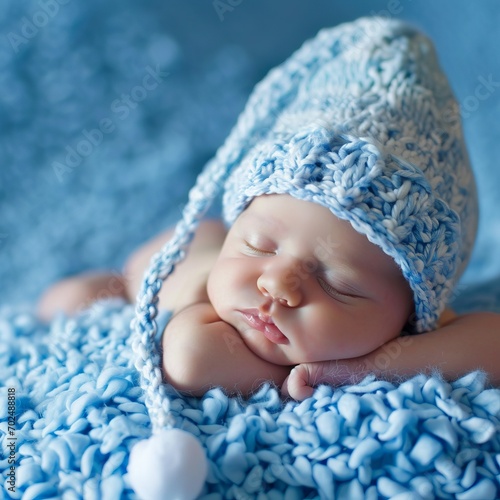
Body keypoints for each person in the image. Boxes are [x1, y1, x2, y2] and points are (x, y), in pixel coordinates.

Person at [37, 17, 500, 401]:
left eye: (339, 285)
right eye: (257, 245)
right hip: (170, 259)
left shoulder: (411, 328)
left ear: (413, 317)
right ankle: (127, 276)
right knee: (71, 302)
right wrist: (306, 374)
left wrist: (358, 370)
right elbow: (191, 360)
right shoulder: (207, 319)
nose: (277, 282)